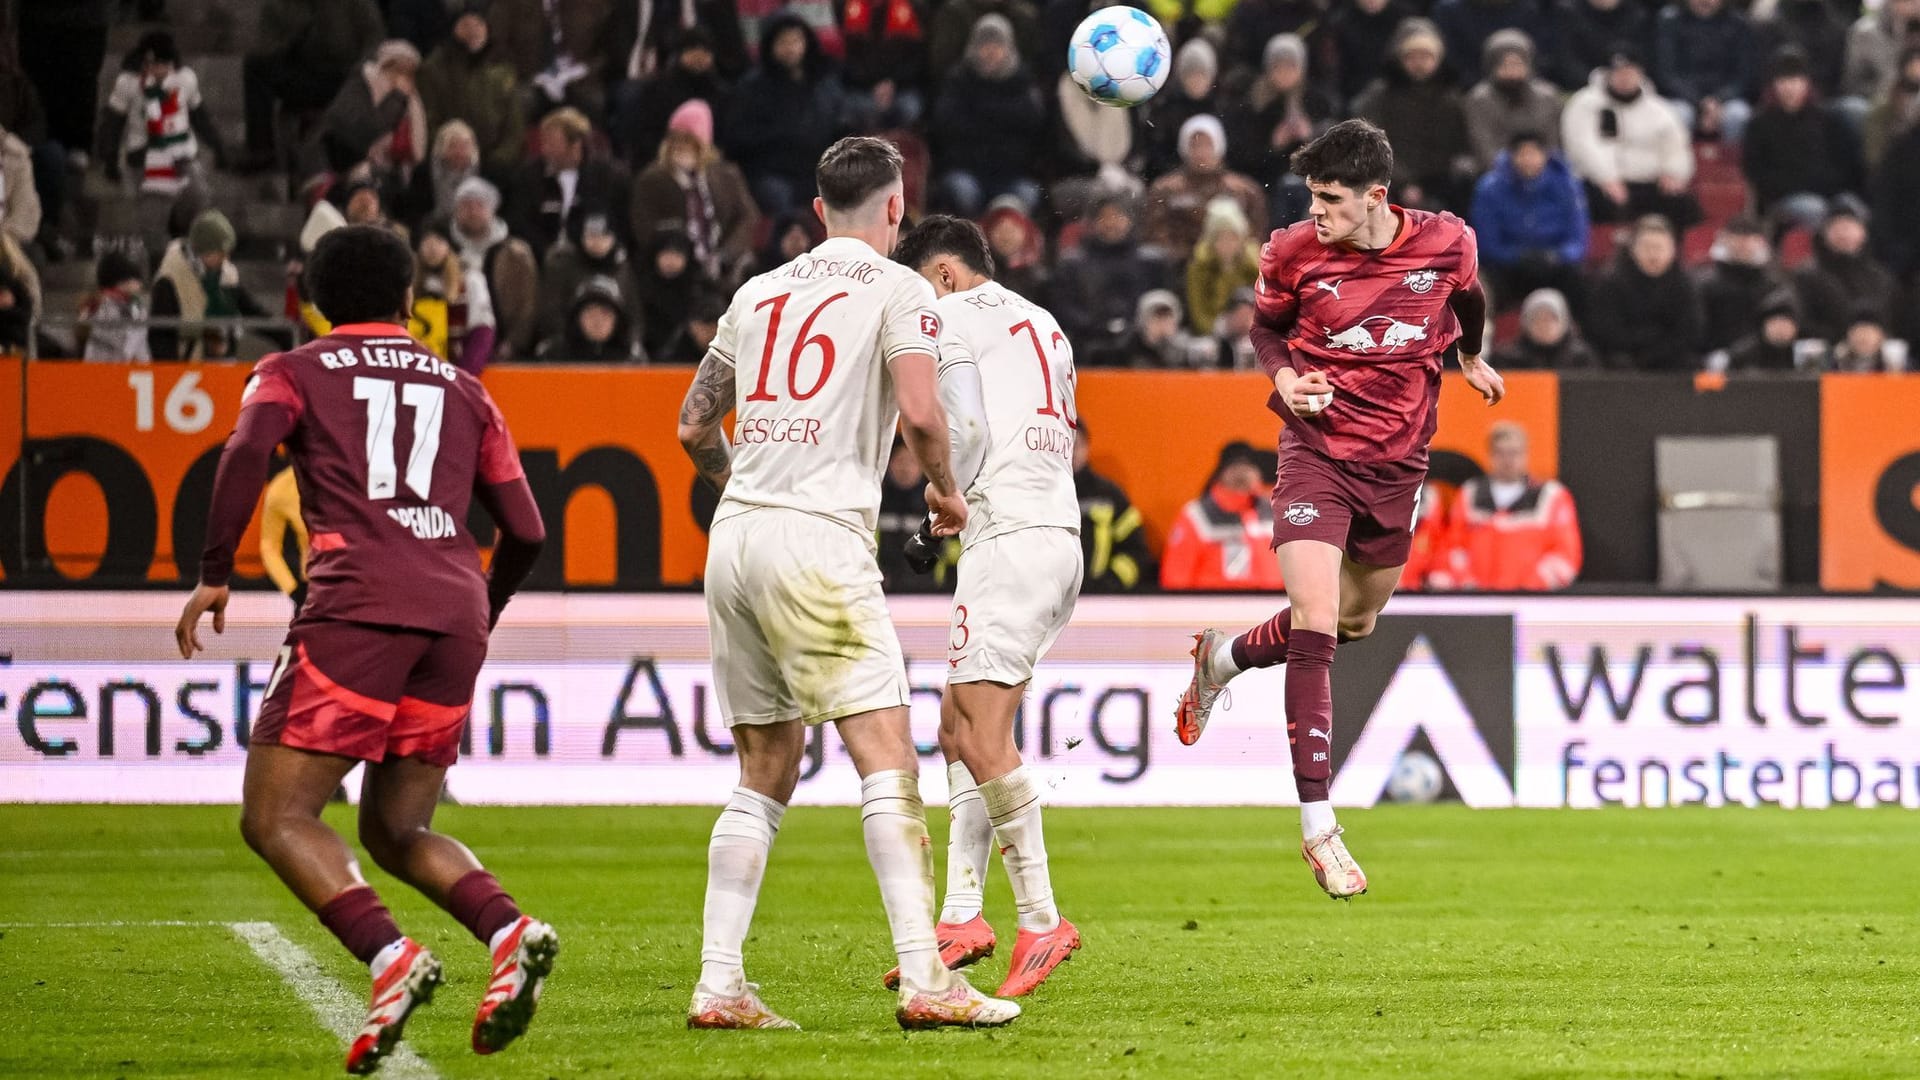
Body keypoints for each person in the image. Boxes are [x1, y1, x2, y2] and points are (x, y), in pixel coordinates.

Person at [173, 225, 555, 1074]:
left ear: (312, 299)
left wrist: (212, 570)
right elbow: (526, 528)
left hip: (356, 605)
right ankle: (510, 930)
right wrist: (481, 609)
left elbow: (244, 451)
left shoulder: (293, 370)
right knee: (397, 824)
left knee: (276, 815)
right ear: (407, 298)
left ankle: (390, 958)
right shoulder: (466, 388)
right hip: (454, 613)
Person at [674, 136, 1020, 1030]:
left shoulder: (758, 292)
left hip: (737, 535)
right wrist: (944, 492)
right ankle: (926, 978)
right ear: (897, 211)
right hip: (819, 543)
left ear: (819, 209)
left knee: (766, 766)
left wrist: (745, 486)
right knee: (887, 760)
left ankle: (719, 983)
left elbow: (692, 424)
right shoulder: (902, 291)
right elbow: (918, 410)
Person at [1171, 119, 1504, 897]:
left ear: (1376, 197)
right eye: (1311, 196)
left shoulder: (1448, 242)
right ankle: (1320, 826)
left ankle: (1222, 658)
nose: (1314, 211)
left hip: (1399, 465)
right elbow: (1264, 327)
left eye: (1329, 198)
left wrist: (1470, 354)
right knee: (1317, 619)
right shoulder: (1291, 252)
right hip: (1314, 451)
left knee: (1356, 622)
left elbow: (1470, 297)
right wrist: (1285, 383)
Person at [890, 215, 1084, 996]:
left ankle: (1041, 920)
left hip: (1007, 536)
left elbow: (960, 422)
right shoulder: (1044, 322)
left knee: (979, 733)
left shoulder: (948, 316)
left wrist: (946, 489)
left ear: (939, 274)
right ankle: (963, 912)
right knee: (956, 725)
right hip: (1054, 536)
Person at [1427, 421, 1582, 590]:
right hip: (1478, 601)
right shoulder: (1470, 494)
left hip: (1532, 602)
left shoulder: (1552, 496)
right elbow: (1452, 546)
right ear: (1490, 454)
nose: (1508, 460)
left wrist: (1533, 585)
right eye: (1501, 453)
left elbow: (1567, 554)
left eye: (1514, 453)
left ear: (1525, 453)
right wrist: (1466, 583)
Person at [240, 0, 387, 173]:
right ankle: (261, 150)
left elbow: (374, 40)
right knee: (255, 66)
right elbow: (268, 47)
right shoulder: (282, 6)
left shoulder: (357, 4)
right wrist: (294, 34)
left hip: (345, 77)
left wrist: (359, 73)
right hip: (305, 75)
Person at [1561, 48, 1699, 227]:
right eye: (1619, 72)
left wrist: (1674, 173)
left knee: (1683, 204)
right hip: (1600, 183)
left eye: (1630, 72)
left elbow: (1676, 146)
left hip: (1648, 182)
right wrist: (1607, 179)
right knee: (1599, 204)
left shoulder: (1659, 109)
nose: (1625, 77)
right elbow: (1582, 146)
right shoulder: (1585, 104)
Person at [628, 100, 761, 286]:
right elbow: (644, 226)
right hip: (673, 270)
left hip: (723, 266)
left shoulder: (726, 175)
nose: (681, 146)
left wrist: (726, 254)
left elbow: (748, 217)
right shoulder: (651, 180)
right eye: (676, 139)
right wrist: (674, 253)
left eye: (689, 140)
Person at [1352, 19, 1477, 212]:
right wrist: (1403, 182)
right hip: (1389, 179)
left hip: (1441, 181)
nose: (1419, 63)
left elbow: (1462, 145)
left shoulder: (1452, 98)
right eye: (1412, 57)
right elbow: (1369, 145)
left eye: (1426, 57)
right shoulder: (1380, 95)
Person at [929, 14, 1047, 216]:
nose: (991, 52)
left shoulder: (1023, 80)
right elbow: (948, 123)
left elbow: (1032, 121)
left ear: (1009, 47)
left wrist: (980, 111)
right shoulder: (958, 79)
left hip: (1013, 174)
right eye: (985, 45)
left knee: (1027, 195)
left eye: (997, 45)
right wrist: (1003, 118)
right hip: (967, 171)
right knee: (962, 192)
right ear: (974, 47)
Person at [1742, 47, 1863, 234]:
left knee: (1854, 208)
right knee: (1815, 210)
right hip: (1785, 197)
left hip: (1831, 192)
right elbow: (1757, 173)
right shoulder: (1759, 125)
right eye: (1784, 80)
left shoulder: (1829, 120)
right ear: (1773, 84)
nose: (1790, 87)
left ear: (1807, 83)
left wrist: (1830, 186)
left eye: (1796, 80)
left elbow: (1847, 164)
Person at [1470, 131, 1589, 310]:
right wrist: (1518, 256)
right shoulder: (1490, 189)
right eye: (1522, 154)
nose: (1528, 160)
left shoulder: (1567, 185)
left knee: (1578, 278)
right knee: (1484, 283)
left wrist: (1557, 256)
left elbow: (1578, 238)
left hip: (1555, 263)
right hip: (1509, 266)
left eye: (1534, 153)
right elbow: (1486, 242)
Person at [149, 210, 281, 361]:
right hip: (187, 371)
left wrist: (284, 334)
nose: (225, 258)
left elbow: (251, 310)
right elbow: (160, 335)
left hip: (222, 366)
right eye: (220, 253)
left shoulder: (226, 274)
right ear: (204, 252)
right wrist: (170, 375)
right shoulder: (170, 279)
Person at [418, 3, 527, 179]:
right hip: (448, 162)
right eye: (466, 25)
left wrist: (499, 159)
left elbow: (514, 127)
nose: (473, 31)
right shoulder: (433, 69)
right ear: (453, 29)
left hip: (494, 164)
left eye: (479, 24)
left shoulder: (503, 68)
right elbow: (427, 121)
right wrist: (453, 152)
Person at [507, 108, 632, 260]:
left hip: (594, 258)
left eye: (552, 143)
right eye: (544, 142)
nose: (544, 149)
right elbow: (520, 222)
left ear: (576, 145)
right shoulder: (529, 175)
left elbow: (619, 222)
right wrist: (547, 251)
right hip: (542, 257)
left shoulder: (609, 176)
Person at [1160, 441, 1287, 590]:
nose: (1242, 474)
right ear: (1220, 473)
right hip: (1215, 609)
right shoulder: (1197, 516)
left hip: (1272, 606)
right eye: (1235, 468)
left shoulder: (1273, 512)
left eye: (1247, 468)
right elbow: (1176, 578)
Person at [1585, 214, 1705, 370]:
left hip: (1670, 356)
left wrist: (1657, 351)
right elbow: (1605, 330)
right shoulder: (1611, 281)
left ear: (1673, 250)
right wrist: (1643, 341)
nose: (1653, 255)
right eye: (1647, 247)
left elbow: (1691, 331)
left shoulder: (1685, 284)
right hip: (1625, 355)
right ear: (1633, 249)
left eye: (1660, 247)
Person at [1141, 115, 1269, 260]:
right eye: (1195, 145)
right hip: (1178, 266)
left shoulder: (1245, 190)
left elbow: (1256, 235)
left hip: (1231, 265)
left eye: (1208, 145)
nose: (1201, 152)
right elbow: (1155, 233)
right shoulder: (1165, 189)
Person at [451, 176, 541, 361]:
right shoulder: (445, 251)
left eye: (479, 205)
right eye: (466, 205)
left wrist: (514, 343)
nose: (473, 211)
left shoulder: (516, 254)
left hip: (505, 350)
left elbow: (528, 305)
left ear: (492, 210)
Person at [1069, 419, 1157, 591]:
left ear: (1086, 448)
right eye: (1066, 443)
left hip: (1100, 604)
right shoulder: (1037, 492)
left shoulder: (1109, 496)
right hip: (1050, 601)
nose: (1071, 452)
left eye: (1076, 444)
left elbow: (1136, 551)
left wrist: (1109, 585)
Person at [1652, 0, 1756, 141]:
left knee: (1738, 115)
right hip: (1683, 97)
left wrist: (1719, 99)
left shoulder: (1738, 24)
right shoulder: (1670, 21)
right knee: (1678, 115)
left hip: (1726, 98)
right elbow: (1667, 74)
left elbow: (1744, 74)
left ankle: (1731, 163)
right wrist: (1700, 102)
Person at [1463, 30, 1563, 172]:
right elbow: (1483, 145)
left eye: (1517, 64)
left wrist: (1537, 167)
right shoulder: (1479, 100)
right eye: (1505, 65)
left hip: (1542, 170)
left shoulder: (1547, 97)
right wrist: (1514, 171)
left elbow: (1552, 142)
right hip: (1497, 173)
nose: (1512, 71)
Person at [538, 214, 643, 343]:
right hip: (570, 346)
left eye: (603, 237)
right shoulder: (563, 266)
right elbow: (551, 310)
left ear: (613, 239)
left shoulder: (623, 268)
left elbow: (634, 314)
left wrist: (630, 342)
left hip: (616, 349)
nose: (597, 242)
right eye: (591, 236)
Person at [1187, 196, 1262, 334]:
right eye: (1220, 238)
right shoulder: (1199, 266)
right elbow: (1198, 311)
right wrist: (1219, 329)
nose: (1227, 244)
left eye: (1232, 237)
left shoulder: (1256, 265)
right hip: (1212, 332)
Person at [537, 275, 645, 362]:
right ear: (577, 317)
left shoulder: (633, 360)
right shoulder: (552, 357)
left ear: (618, 320)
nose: (597, 321)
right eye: (590, 312)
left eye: (605, 313)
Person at [1492, 286, 1598, 367]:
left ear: (1564, 322)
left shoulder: (1581, 358)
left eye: (1551, 319)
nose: (1544, 325)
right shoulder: (1508, 358)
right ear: (1526, 323)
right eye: (1537, 319)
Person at [80, 250, 152, 362]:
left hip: (134, 371)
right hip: (103, 368)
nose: (140, 284)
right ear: (121, 281)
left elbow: (140, 344)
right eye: (135, 279)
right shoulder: (100, 305)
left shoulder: (136, 306)